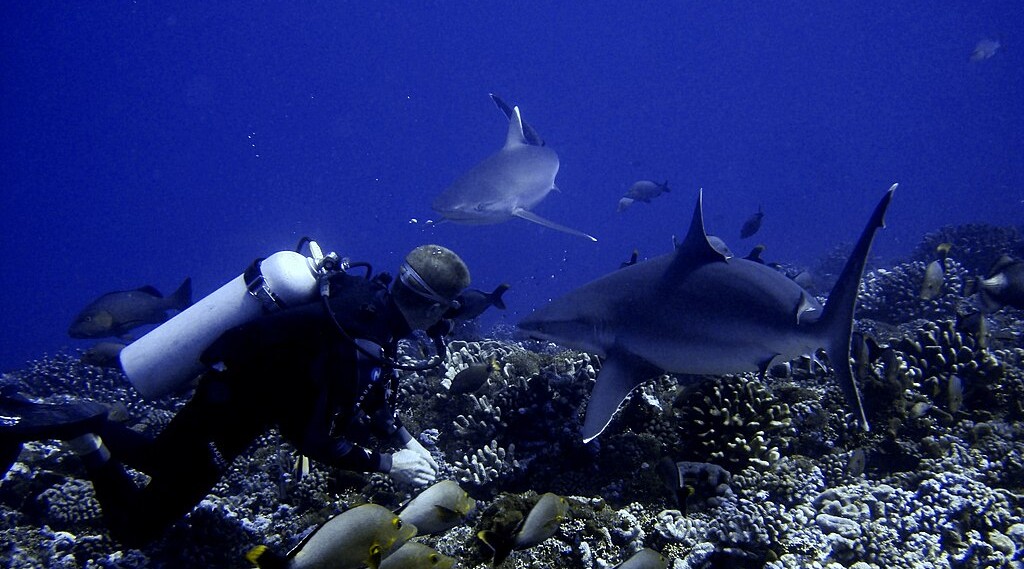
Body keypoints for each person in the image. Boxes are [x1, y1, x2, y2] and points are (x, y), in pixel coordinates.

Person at [0, 244, 472, 546]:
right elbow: (311, 441)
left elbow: (367, 397)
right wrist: (388, 465)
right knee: (136, 530)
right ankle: (85, 432)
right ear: (433, 307)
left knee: (162, 457)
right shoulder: (361, 343)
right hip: (230, 419)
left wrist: (405, 439)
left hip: (225, 391)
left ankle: (82, 423)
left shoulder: (364, 303)